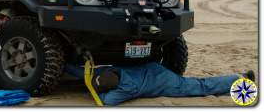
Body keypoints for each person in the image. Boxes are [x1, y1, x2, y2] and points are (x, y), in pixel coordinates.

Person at [65, 62, 255, 106]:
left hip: (165, 83)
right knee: (199, 83)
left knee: (200, 86)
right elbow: (85, 72)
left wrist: (95, 91)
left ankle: (240, 80)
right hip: (154, 69)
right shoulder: (113, 70)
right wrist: (65, 66)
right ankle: (239, 77)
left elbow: (107, 102)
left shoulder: (126, 88)